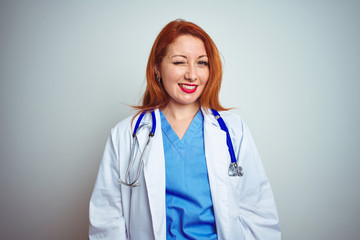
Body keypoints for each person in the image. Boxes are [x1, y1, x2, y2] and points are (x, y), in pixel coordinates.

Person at [89, 19, 281, 240]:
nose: (192, 74)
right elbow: (107, 219)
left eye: (202, 63)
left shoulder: (233, 130)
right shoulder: (127, 135)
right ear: (157, 69)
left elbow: (259, 213)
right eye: (180, 62)